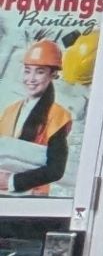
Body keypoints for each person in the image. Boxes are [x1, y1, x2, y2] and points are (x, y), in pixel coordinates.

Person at [4, 40, 72, 197]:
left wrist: (12, 181)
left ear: (53, 75)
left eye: (40, 72)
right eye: (27, 71)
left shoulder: (58, 115)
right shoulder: (10, 111)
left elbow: (56, 169)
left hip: (33, 198)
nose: (31, 78)